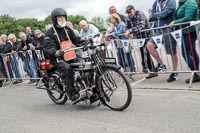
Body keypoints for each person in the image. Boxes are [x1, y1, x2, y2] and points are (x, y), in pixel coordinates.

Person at [44, 8, 86, 102]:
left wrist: (83, 42)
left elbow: (76, 39)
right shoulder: (49, 33)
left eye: (63, 17)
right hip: (57, 59)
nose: (62, 19)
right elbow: (48, 47)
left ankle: (87, 87)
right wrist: (55, 52)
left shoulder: (67, 29)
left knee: (85, 64)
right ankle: (71, 94)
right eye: (60, 17)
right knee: (67, 68)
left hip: (70, 56)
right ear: (55, 19)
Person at [147, 0, 179, 82]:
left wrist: (156, 15)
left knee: (172, 51)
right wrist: (158, 15)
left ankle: (175, 72)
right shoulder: (156, 2)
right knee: (149, 45)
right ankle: (161, 64)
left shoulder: (171, 1)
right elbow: (151, 16)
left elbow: (166, 14)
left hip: (168, 28)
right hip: (158, 30)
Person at [169, 0, 200, 83]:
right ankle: (197, 72)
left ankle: (196, 73)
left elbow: (188, 18)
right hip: (186, 31)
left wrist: (175, 22)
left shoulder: (190, 2)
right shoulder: (182, 3)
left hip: (190, 31)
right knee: (192, 52)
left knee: (186, 53)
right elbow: (178, 15)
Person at [125, 5, 157, 78]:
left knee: (146, 53)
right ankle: (152, 69)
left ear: (134, 9)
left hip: (148, 35)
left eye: (130, 12)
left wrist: (130, 31)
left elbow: (141, 26)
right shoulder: (128, 18)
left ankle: (152, 68)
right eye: (127, 13)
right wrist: (128, 31)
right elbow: (126, 27)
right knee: (145, 53)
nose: (129, 14)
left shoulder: (140, 13)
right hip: (140, 38)